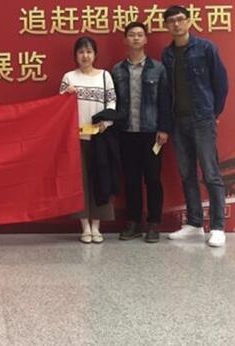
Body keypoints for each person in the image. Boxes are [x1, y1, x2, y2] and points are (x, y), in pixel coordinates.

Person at [161, 5, 229, 248]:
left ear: (189, 22)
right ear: (166, 26)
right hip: (178, 121)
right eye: (171, 21)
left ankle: (218, 227)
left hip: (202, 119)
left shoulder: (206, 48)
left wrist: (214, 112)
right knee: (187, 173)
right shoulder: (167, 55)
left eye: (180, 19)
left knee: (210, 173)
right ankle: (195, 223)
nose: (176, 24)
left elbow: (221, 82)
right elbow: (166, 91)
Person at [111, 22, 170, 243]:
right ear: (125, 40)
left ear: (145, 40)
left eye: (139, 35)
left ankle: (154, 223)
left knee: (153, 179)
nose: (136, 38)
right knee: (131, 180)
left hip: (151, 132)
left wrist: (164, 128)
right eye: (131, 35)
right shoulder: (117, 70)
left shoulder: (158, 68)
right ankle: (133, 222)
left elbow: (165, 100)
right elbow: (114, 102)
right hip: (126, 133)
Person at [59, 36, 116, 243]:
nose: (85, 56)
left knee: (100, 180)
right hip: (76, 138)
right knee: (80, 183)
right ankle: (84, 226)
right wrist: (66, 94)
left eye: (89, 51)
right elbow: (60, 108)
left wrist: (105, 123)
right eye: (81, 52)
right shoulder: (69, 77)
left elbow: (112, 103)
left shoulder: (105, 76)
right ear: (76, 55)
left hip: (99, 136)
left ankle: (97, 226)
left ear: (95, 54)